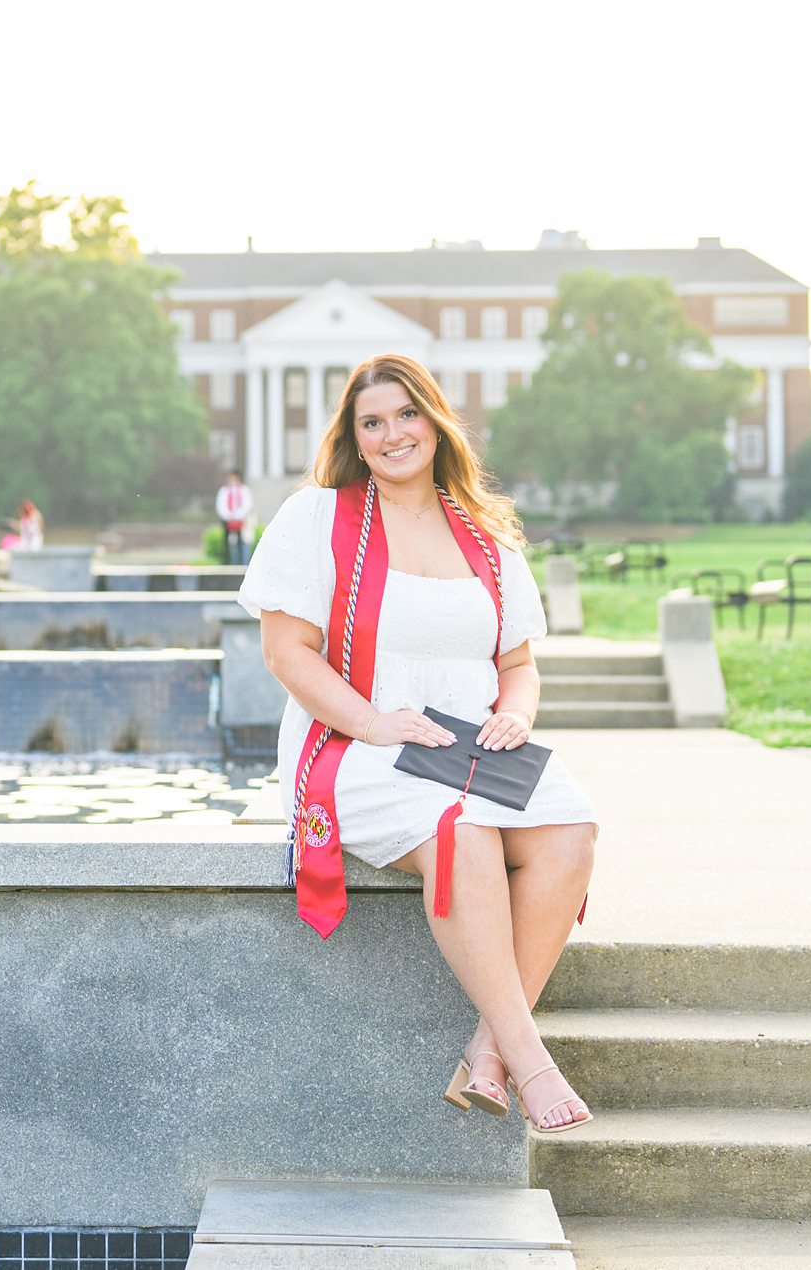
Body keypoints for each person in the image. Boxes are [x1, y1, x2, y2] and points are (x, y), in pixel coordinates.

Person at [236, 352, 598, 1133]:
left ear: (435, 420)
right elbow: (285, 651)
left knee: (571, 826)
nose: (394, 433)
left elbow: (519, 665)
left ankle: (487, 1050)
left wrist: (519, 715)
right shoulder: (319, 516)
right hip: (357, 747)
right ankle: (531, 1061)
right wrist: (370, 720)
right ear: (355, 438)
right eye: (373, 422)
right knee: (459, 827)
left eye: (407, 414)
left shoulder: (487, 537)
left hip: (469, 747)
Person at [215, 468, 255, 564]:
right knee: (232, 545)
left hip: (242, 521)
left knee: (245, 543)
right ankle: (233, 564)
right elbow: (221, 506)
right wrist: (230, 517)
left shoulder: (244, 490)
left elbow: (247, 505)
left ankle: (244, 565)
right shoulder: (224, 491)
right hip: (229, 522)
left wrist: (238, 516)